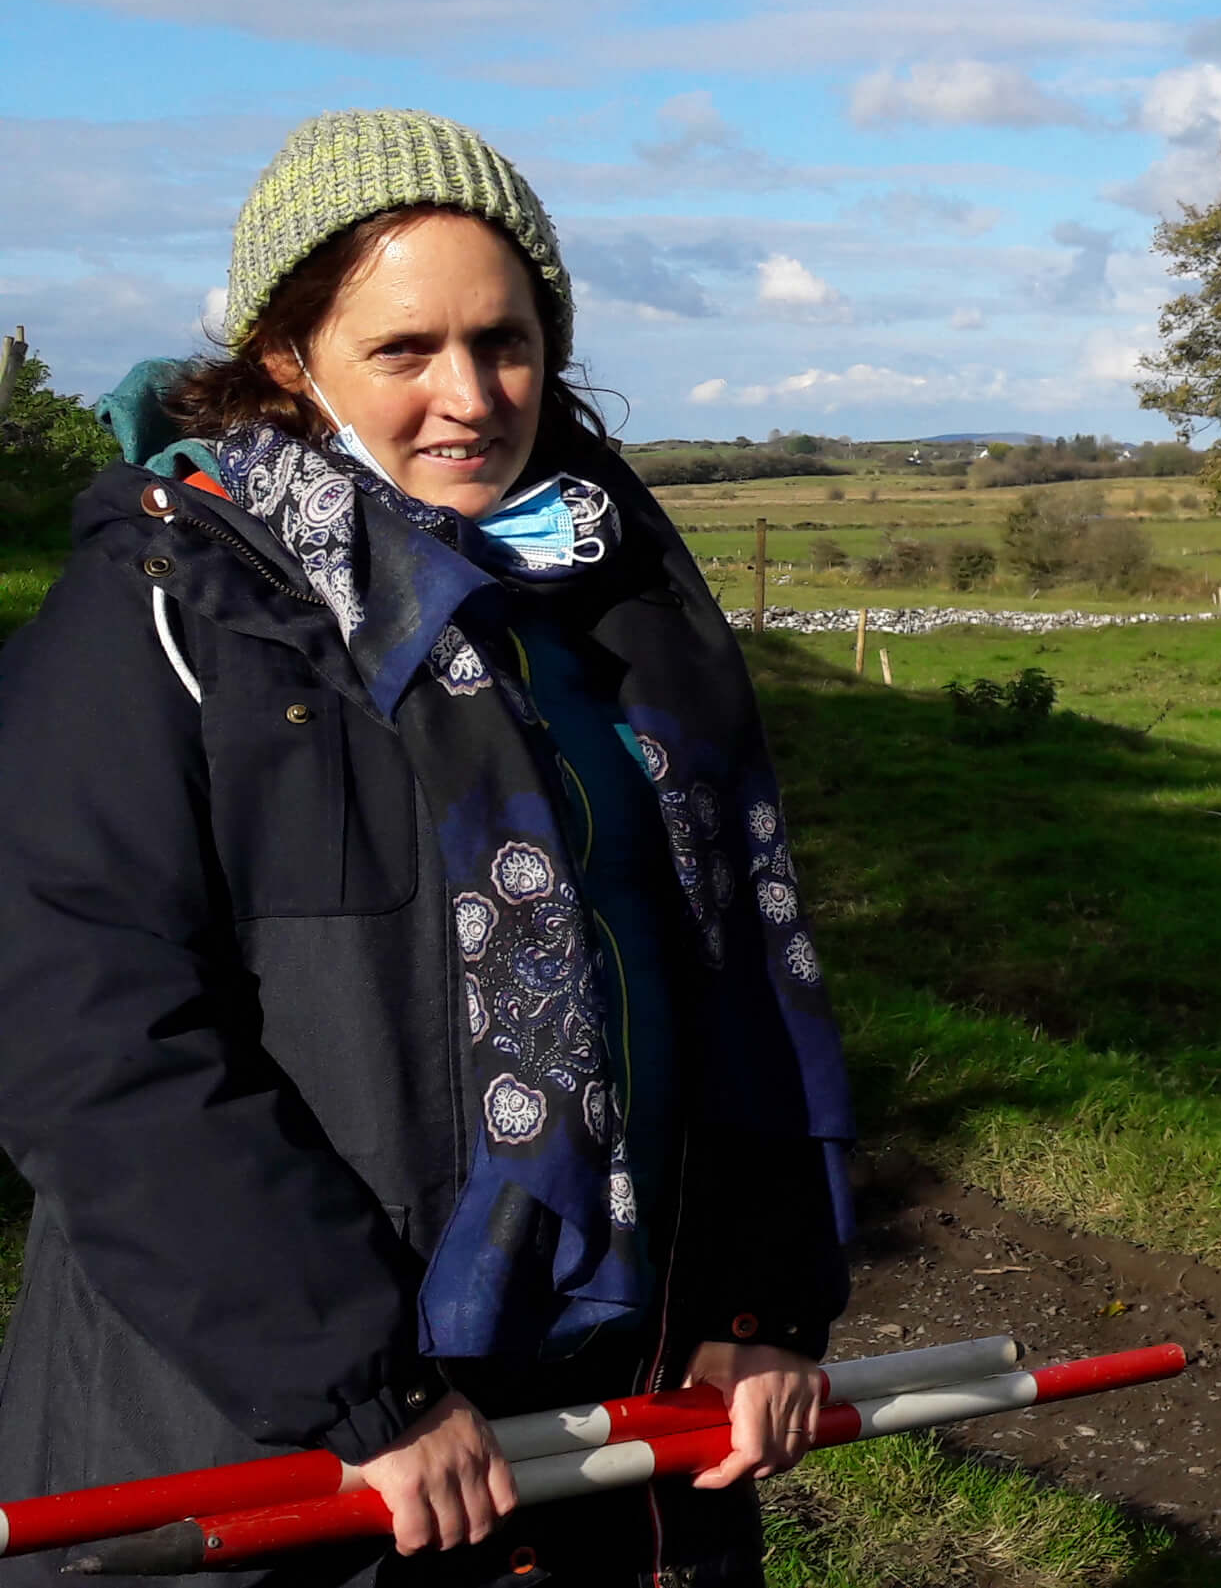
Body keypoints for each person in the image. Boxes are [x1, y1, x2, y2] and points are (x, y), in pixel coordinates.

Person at [0, 110, 854, 1586]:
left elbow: (729, 972)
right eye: (405, 350)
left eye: (507, 341)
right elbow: (94, 1041)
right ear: (288, 355)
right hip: (300, 1443)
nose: (469, 396)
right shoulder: (166, 612)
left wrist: (761, 1307)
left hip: (624, 1403)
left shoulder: (619, 590)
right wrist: (363, 1386)